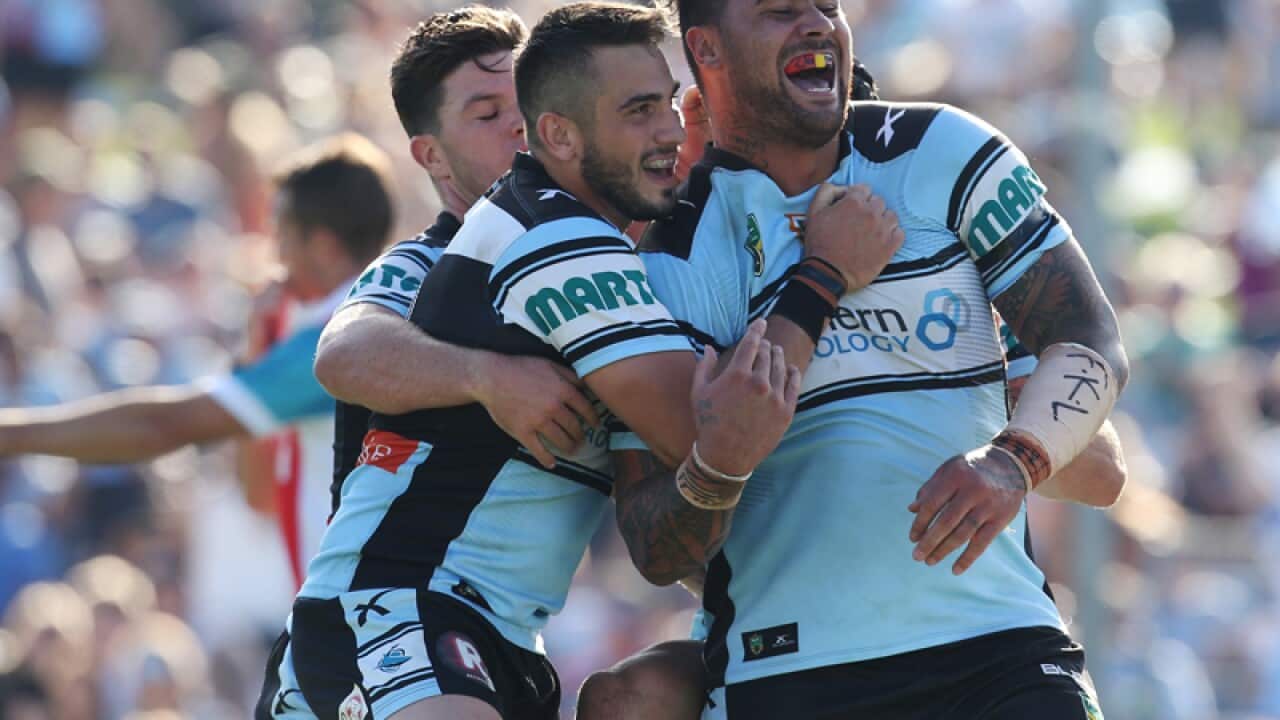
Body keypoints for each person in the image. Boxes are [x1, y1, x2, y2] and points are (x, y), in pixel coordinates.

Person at [259, 4, 898, 719]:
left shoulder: (588, 238)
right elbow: (709, 431)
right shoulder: (555, 239)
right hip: (400, 615)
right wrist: (822, 277)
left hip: (493, 637)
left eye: (668, 105)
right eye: (638, 112)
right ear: (558, 131)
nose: (668, 131)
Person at [583, 0, 1129, 717]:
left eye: (828, 6)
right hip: (791, 672)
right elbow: (656, 548)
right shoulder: (661, 254)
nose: (815, 22)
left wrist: (1011, 461)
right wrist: (718, 466)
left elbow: (1092, 343)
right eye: (781, 11)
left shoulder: (946, 149)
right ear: (706, 52)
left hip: (1000, 653)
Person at [0, 133, 395, 587]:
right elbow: (259, 495)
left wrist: (10, 434)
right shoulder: (358, 321)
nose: (275, 259)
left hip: (360, 621)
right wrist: (256, 354)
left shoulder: (336, 341)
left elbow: (161, 426)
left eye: (281, 237)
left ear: (324, 246)